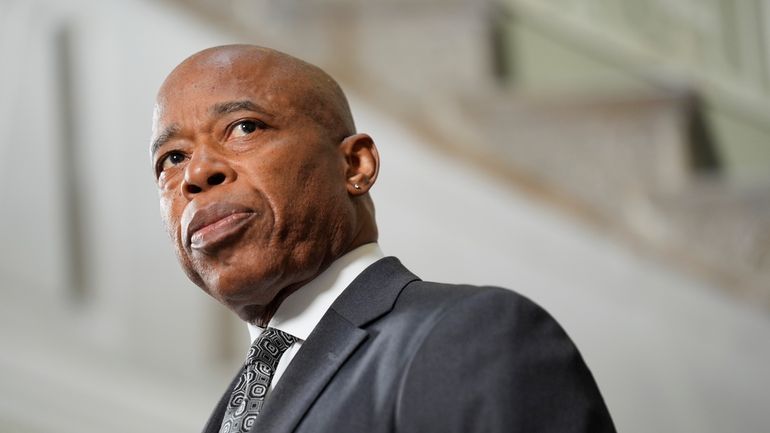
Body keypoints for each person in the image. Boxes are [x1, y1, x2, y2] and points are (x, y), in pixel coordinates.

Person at [150, 44, 616, 433]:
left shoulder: (468, 335)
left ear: (355, 166)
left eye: (245, 127)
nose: (195, 172)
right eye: (171, 158)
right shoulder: (237, 407)